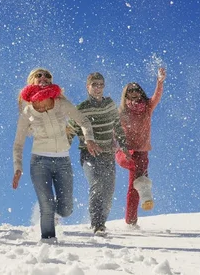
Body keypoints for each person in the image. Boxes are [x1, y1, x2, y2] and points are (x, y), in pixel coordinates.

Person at [12, 68, 100, 244]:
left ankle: (52, 216)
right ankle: (48, 242)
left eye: (47, 76)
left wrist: (89, 139)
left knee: (66, 209)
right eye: (39, 75)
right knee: (47, 205)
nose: (44, 78)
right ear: (32, 81)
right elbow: (18, 144)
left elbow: (83, 121)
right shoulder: (27, 112)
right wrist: (18, 167)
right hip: (39, 162)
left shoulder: (60, 103)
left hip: (62, 161)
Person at [67, 72, 127, 235]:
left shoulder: (109, 105)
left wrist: (124, 145)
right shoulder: (81, 109)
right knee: (97, 184)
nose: (98, 88)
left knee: (108, 191)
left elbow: (118, 126)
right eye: (94, 85)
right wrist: (61, 148)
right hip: (89, 154)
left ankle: (102, 220)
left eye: (101, 85)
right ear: (88, 87)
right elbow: (70, 131)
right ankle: (97, 224)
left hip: (108, 154)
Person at [116, 67, 166, 227]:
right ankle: (145, 191)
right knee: (140, 176)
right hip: (124, 152)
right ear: (126, 95)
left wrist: (160, 81)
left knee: (134, 185)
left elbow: (157, 96)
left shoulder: (147, 108)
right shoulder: (122, 112)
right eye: (130, 91)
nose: (134, 93)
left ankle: (131, 221)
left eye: (136, 90)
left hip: (141, 153)